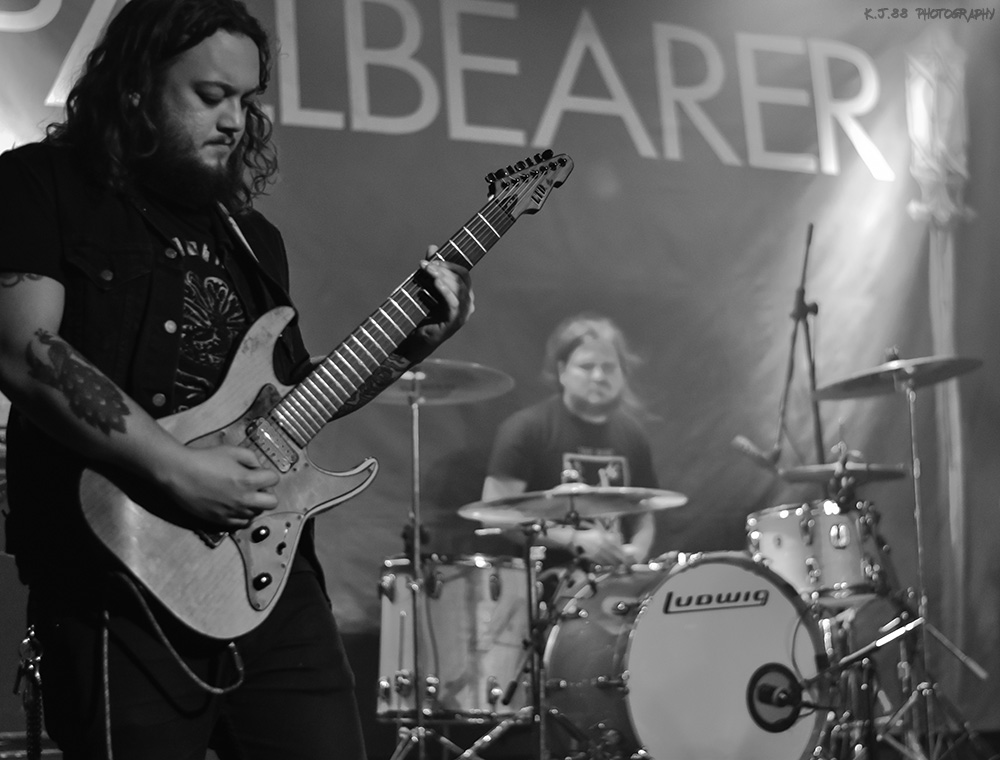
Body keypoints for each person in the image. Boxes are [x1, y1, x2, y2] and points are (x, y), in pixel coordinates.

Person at [0, 1, 473, 758]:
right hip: (120, 589)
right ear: (135, 89)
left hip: (271, 581)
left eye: (247, 101)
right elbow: (27, 350)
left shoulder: (251, 238)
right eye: (211, 96)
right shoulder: (38, 185)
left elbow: (292, 403)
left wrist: (407, 347)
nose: (235, 120)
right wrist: (180, 471)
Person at [482, 313, 657, 568]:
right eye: (587, 367)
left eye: (609, 367)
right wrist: (573, 539)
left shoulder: (633, 435)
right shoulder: (526, 429)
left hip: (614, 586)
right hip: (545, 586)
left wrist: (637, 551)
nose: (598, 376)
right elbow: (493, 516)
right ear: (563, 371)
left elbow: (645, 515)